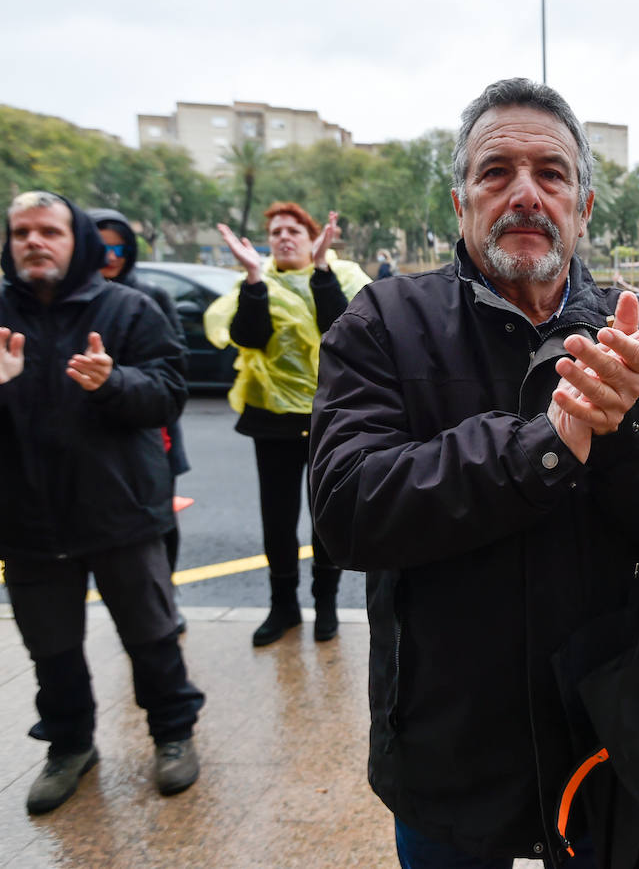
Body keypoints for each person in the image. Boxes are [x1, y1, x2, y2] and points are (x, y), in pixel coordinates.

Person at [308, 78, 639, 869]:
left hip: (607, 733)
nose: (525, 194)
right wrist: (545, 446)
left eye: (552, 173)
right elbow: (345, 508)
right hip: (447, 748)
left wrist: (626, 429)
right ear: (461, 197)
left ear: (585, 203)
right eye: (496, 171)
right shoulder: (383, 323)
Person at [0, 191, 205, 815]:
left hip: (119, 513)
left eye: (49, 231)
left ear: (77, 241)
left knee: (151, 637)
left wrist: (114, 382)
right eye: (21, 232)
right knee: (51, 647)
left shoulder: (129, 309)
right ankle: (69, 745)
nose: (35, 242)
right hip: (27, 520)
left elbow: (170, 392)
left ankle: (172, 736)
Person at [205, 202, 371, 647]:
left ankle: (327, 605)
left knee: (325, 518)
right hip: (272, 420)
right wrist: (254, 279)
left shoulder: (342, 276)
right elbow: (248, 336)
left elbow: (342, 329)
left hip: (329, 419)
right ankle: (283, 607)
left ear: (312, 236)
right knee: (277, 521)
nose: (283, 236)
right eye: (275, 231)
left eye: (293, 229)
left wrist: (320, 270)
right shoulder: (257, 282)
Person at [88, 208, 191, 629]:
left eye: (119, 247)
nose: (110, 255)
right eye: (100, 246)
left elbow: (173, 364)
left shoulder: (149, 296)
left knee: (159, 516)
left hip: (151, 424)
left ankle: (164, 593)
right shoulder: (76, 300)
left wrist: (118, 375)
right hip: (95, 431)